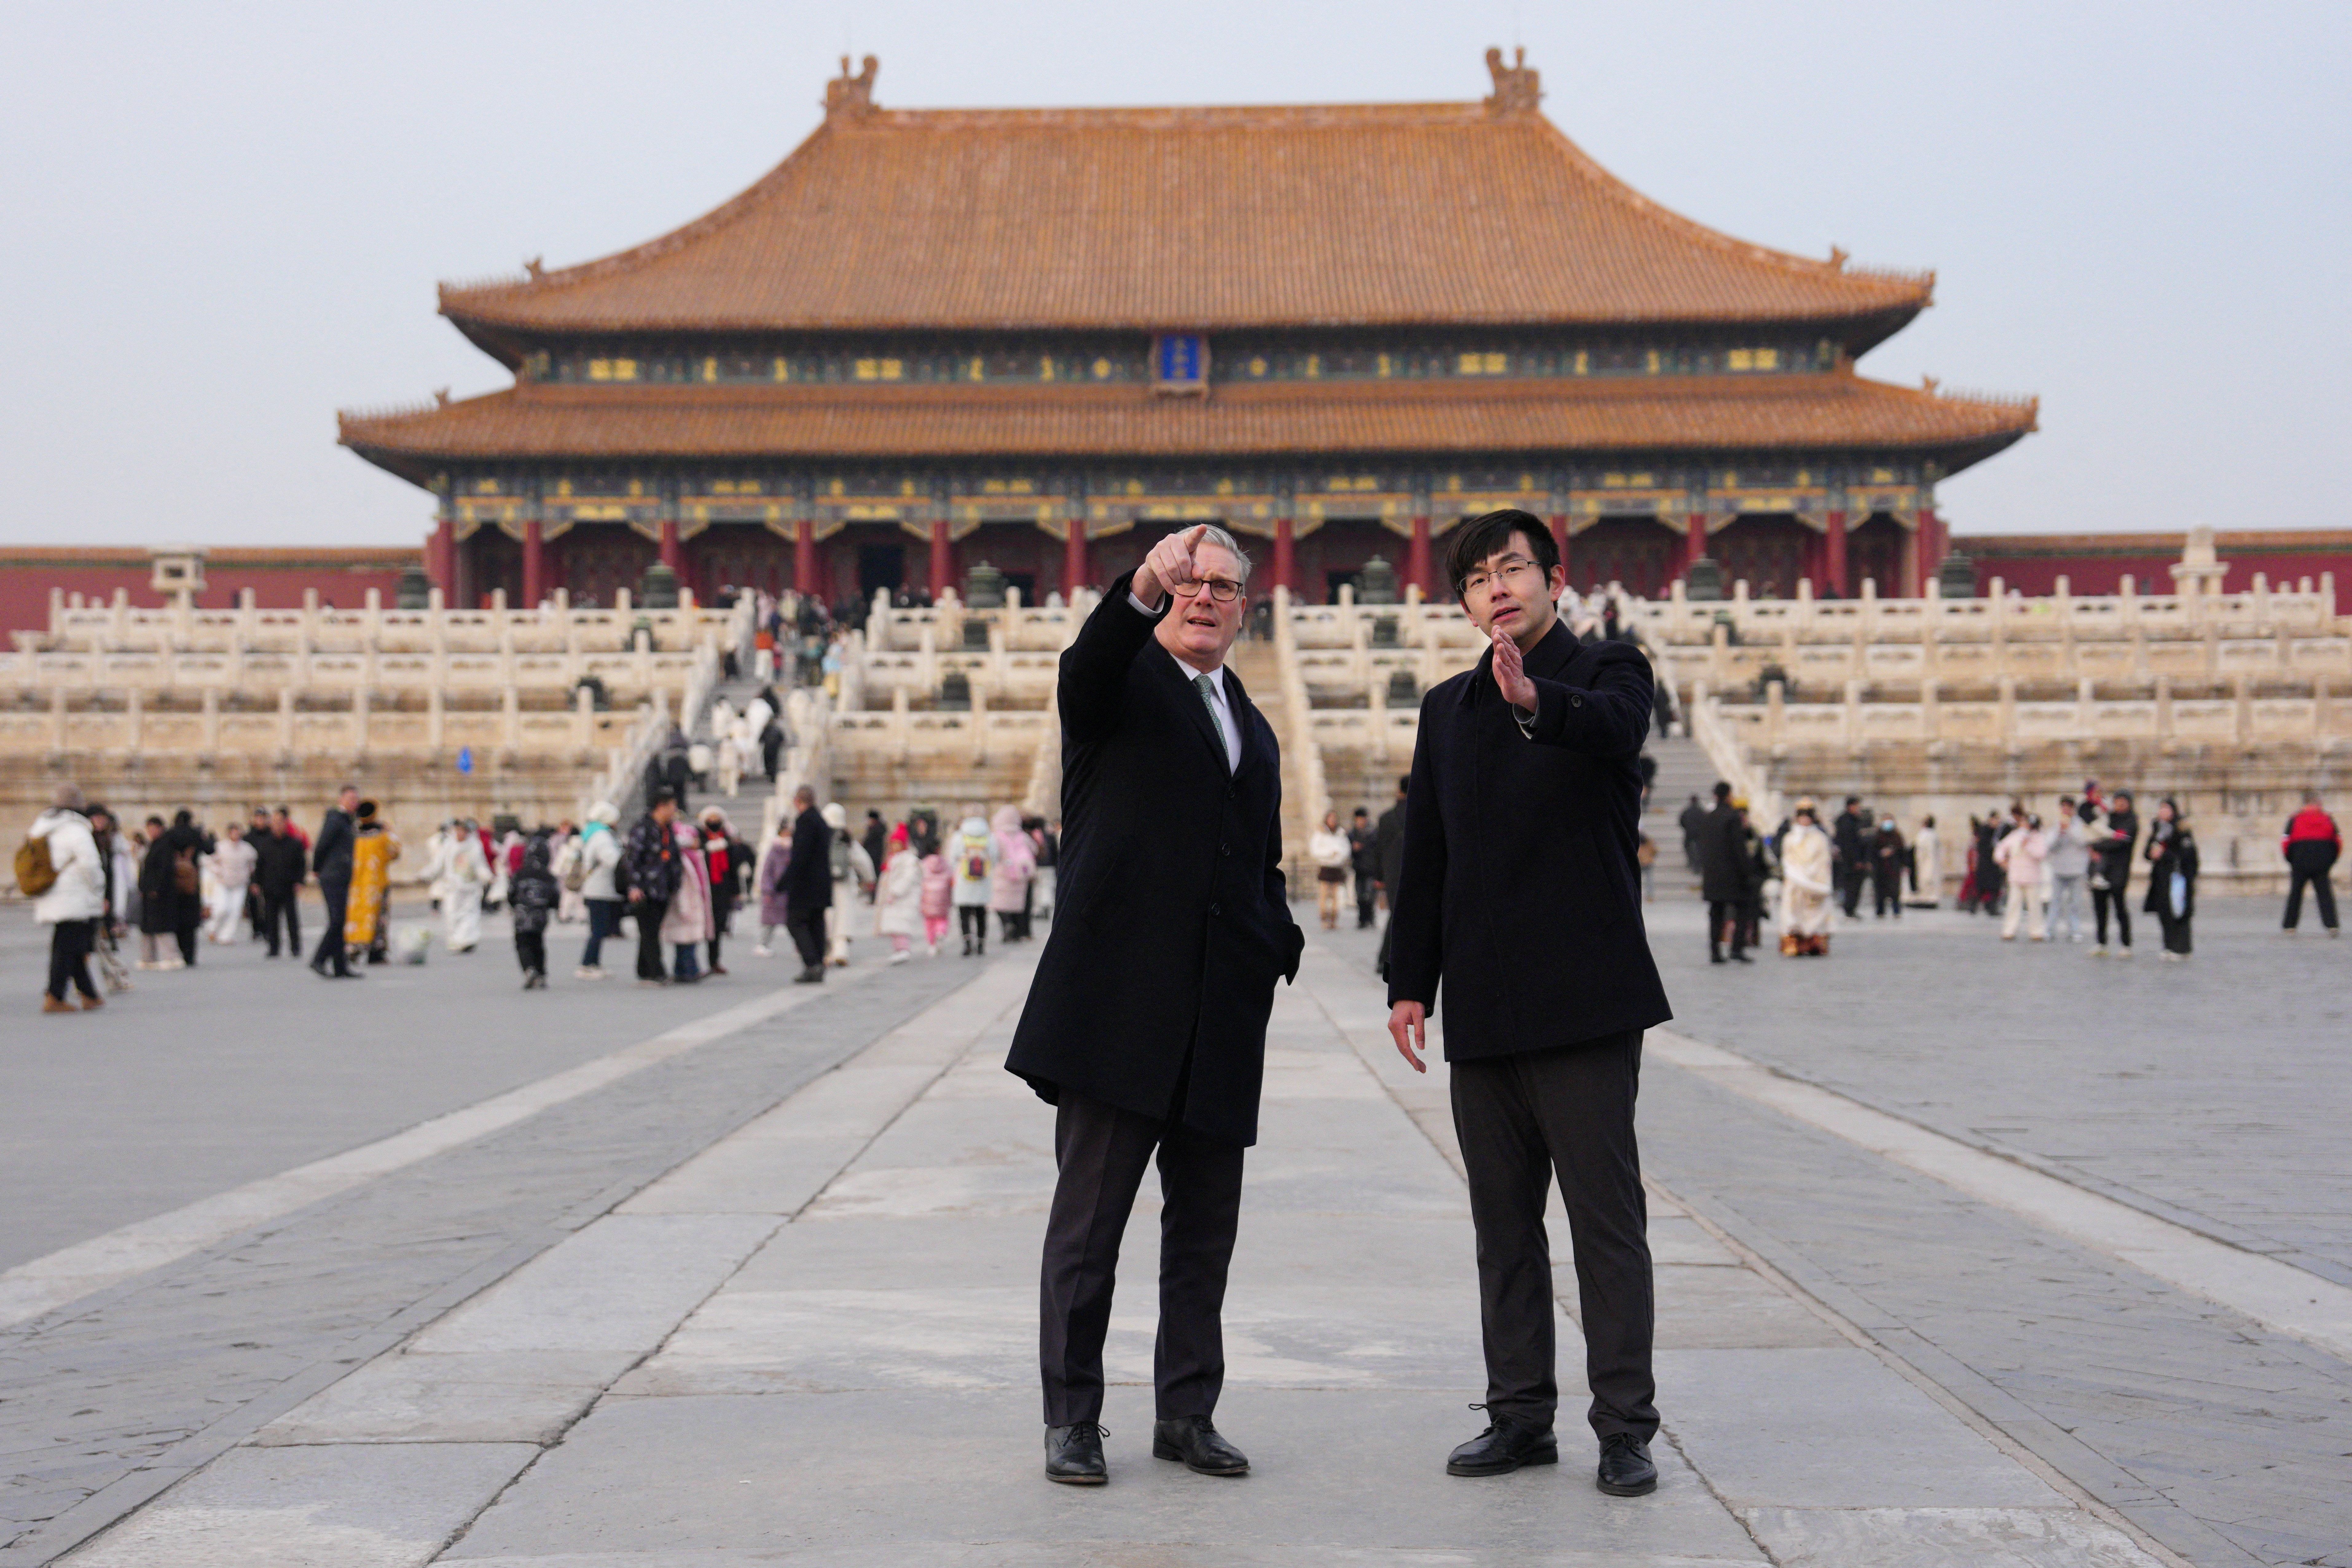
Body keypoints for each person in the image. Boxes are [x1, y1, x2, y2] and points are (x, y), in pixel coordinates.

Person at [1006, 522, 1302, 1488]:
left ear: (1245, 608)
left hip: (1221, 1014)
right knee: (1089, 1227)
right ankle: (1071, 1418)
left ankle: (1187, 1411)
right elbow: (1085, 667)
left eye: (1223, 586)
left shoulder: (1250, 722)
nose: (1204, 598)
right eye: (1189, 584)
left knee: (1204, 1231)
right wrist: (1137, 587)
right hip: (1119, 1006)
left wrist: (1275, 940)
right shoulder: (1120, 685)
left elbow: (1259, 856)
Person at [1384, 508, 1669, 1498]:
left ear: (1555, 579)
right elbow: (1426, 852)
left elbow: (1616, 731)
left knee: (1604, 1224)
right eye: (1475, 579)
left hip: (1586, 1000)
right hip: (1485, 1003)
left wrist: (1535, 698)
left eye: (1511, 569)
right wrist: (1409, 980)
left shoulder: (1609, 670)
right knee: (1502, 1227)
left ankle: (1625, 1428)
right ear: (1463, 605)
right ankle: (1518, 1417)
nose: (1495, 589)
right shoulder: (1444, 709)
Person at [30, 785, 106, 1013]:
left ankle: (89, 994)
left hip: (53, 892)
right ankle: (55, 996)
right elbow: (90, 864)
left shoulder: (42, 826)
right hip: (74, 895)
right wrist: (99, 888)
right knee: (67, 947)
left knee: (69, 943)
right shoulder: (75, 829)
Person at [624, 789, 684, 986]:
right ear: (661, 806)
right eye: (672, 806)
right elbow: (633, 859)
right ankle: (656, 971)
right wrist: (634, 886)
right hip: (646, 888)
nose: (675, 811)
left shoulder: (667, 829)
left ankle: (644, 971)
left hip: (663, 887)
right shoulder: (643, 829)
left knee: (651, 930)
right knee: (649, 931)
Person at [782, 786, 832, 983]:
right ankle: (818, 963)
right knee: (816, 924)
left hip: (805, 884)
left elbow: (800, 856)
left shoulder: (806, 821)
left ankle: (812, 964)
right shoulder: (820, 820)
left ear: (798, 801)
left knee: (796, 923)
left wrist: (785, 881)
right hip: (821, 883)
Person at [1699, 782, 1753, 964]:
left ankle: (1715, 952)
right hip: (1733, 874)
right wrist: (1746, 872)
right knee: (1742, 909)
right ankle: (1737, 949)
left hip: (1713, 874)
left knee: (1716, 912)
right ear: (1729, 795)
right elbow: (1739, 848)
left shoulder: (1708, 818)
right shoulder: (1733, 817)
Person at [310, 786, 360, 978]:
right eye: (350, 799)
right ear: (341, 800)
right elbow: (322, 845)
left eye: (356, 799)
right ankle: (319, 959)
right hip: (332, 876)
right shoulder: (335, 819)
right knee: (337, 920)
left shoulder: (348, 821)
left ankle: (341, 967)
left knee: (340, 920)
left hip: (342, 875)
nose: (354, 803)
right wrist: (316, 868)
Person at [345, 802, 400, 965]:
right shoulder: (382, 836)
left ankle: (353, 948)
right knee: (379, 918)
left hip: (355, 885)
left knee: (355, 917)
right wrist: (389, 831)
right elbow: (395, 852)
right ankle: (376, 952)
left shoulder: (352, 834)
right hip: (377, 884)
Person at [2144, 798, 2199, 959]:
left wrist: (2164, 855)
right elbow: (2147, 852)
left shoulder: (2182, 830)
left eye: (2167, 809)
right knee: (2165, 912)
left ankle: (2182, 948)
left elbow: (2187, 854)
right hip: (2161, 878)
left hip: (2179, 877)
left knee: (2180, 911)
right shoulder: (2158, 830)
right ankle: (2168, 946)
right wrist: (2151, 853)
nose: (2163, 812)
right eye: (2161, 808)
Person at [2280, 791, 2341, 935]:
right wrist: (2330, 861)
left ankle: (2290, 926)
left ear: (2304, 804)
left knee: (2296, 893)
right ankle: (2332, 925)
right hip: (2322, 862)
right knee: (2325, 893)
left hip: (2300, 860)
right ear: (2318, 803)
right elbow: (2338, 841)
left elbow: (2285, 842)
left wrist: (2292, 860)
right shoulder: (2327, 818)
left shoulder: (2295, 819)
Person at [574, 802, 624, 977]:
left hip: (596, 889)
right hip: (600, 890)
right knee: (598, 930)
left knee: (599, 929)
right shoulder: (602, 836)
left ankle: (593, 963)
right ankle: (588, 964)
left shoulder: (592, 833)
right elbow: (612, 860)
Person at [1779, 799, 1834, 956]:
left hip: (1815, 881)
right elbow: (1787, 859)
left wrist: (1811, 873)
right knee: (1794, 914)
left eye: (1808, 817)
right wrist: (1798, 874)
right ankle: (1794, 942)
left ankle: (1813, 943)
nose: (1805, 820)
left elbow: (1824, 860)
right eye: (1802, 817)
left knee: (1815, 914)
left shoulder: (1820, 838)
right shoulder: (1790, 838)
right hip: (1796, 882)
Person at [822, 803, 875, 965]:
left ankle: (827, 952)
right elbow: (863, 861)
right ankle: (841, 951)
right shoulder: (846, 839)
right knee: (843, 918)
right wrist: (870, 879)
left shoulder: (821, 837)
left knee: (827, 917)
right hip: (845, 883)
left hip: (825, 883)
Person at [2087, 790, 2137, 957]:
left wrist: (2097, 846)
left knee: (2120, 907)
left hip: (2119, 870)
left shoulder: (2131, 821)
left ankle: (2126, 944)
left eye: (2124, 801)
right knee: (2100, 908)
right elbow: (2093, 830)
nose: (2120, 804)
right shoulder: (2107, 818)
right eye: (2118, 801)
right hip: (2100, 869)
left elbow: (2120, 842)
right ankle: (2101, 943)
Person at [662, 816, 711, 982]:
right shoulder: (685, 860)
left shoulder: (693, 857)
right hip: (687, 905)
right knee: (687, 940)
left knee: (685, 940)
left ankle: (682, 970)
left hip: (690, 904)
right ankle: (689, 970)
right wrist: (685, 908)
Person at [159, 809, 211, 968]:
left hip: (173, 882)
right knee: (190, 920)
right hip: (191, 882)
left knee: (176, 918)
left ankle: (179, 952)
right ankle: (190, 955)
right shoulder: (195, 834)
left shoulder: (169, 834)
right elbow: (210, 849)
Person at [509, 834, 559, 989]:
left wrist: (514, 905)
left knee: (522, 942)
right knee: (538, 942)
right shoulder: (548, 877)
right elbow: (555, 898)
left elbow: (511, 894)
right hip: (540, 915)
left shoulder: (520, 874)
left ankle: (529, 969)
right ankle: (541, 973)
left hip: (522, 914)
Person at [255, 808, 305, 958]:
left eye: (281, 822)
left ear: (286, 824)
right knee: (272, 919)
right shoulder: (265, 844)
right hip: (270, 886)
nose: (278, 826)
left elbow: (301, 864)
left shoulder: (295, 843)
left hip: (288, 886)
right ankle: (274, 948)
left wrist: (299, 881)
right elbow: (260, 865)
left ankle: (295, 947)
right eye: (275, 823)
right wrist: (256, 883)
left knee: (292, 919)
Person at [1373, 774, 1409, 975]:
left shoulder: (1386, 818)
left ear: (1399, 791)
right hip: (1415, 872)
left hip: (1392, 873)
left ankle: (1385, 959)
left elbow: (1379, 850)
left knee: (1396, 915)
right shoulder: (1423, 815)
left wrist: (1379, 877)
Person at [1995, 809, 2048, 942]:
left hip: (2032, 877)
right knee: (2013, 905)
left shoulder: (2038, 837)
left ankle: (2037, 932)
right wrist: (2003, 862)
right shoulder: (2015, 836)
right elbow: (2001, 849)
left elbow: (2041, 854)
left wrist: (2028, 846)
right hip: (2016, 876)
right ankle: (2009, 931)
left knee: (2034, 907)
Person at [873, 822, 923, 962]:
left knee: (901, 926)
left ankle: (903, 950)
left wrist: (896, 891)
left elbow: (909, 878)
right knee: (895, 927)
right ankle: (899, 950)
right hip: (894, 900)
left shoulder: (908, 860)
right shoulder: (893, 859)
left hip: (902, 899)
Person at [135, 814, 180, 969]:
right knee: (148, 926)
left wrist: (156, 888)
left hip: (161, 893)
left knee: (163, 926)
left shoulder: (165, 846)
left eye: (154, 828)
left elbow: (165, 870)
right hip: (149, 892)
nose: (151, 832)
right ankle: (148, 958)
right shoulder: (152, 845)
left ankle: (171, 957)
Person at [950, 809, 995, 957]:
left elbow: (952, 858)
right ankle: (981, 944)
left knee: (964, 914)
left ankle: (968, 943)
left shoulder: (959, 836)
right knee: (981, 914)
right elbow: (995, 857)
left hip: (964, 881)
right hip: (983, 881)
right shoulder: (990, 836)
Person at [202, 823, 257, 945]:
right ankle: (211, 928)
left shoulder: (247, 848)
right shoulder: (221, 847)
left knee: (235, 911)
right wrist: (218, 871)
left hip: (240, 884)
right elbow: (208, 861)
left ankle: (226, 936)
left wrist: (248, 874)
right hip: (224, 883)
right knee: (222, 908)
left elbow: (253, 862)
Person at [990, 804, 1037, 945]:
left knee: (1000, 904)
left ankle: (1007, 924)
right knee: (1019, 904)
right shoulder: (1023, 836)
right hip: (1021, 876)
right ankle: (1018, 932)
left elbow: (993, 855)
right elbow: (1034, 850)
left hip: (1002, 875)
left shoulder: (997, 837)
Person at [2044, 798, 2089, 943]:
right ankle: (2050, 930)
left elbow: (2084, 841)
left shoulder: (2080, 824)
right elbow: (2049, 845)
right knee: (2055, 902)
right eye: (2063, 807)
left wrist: (2069, 830)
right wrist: (2060, 832)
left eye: (2068, 807)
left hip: (2077, 869)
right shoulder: (2056, 825)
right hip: (2059, 868)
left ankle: (2074, 931)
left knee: (2075, 903)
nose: (2066, 810)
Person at [442, 819, 491, 954]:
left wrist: (488, 877)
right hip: (453, 888)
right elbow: (440, 863)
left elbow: (480, 865)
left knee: (470, 915)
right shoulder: (449, 845)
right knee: (452, 914)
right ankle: (456, 941)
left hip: (470, 887)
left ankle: (468, 941)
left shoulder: (474, 846)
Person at [755, 818, 792, 958]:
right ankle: (763, 944)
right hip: (776, 891)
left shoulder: (795, 849)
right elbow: (767, 871)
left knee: (794, 922)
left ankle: (800, 947)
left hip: (790, 891)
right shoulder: (775, 849)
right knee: (770, 922)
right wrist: (767, 890)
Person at [1308, 809, 1351, 930]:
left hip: (1337, 867)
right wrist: (1329, 854)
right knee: (1324, 895)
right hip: (1326, 867)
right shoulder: (1320, 833)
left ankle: (1334, 920)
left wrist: (1339, 856)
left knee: (1336, 896)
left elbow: (1346, 849)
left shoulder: (1341, 833)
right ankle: (1324, 920)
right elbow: (1315, 850)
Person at [1833, 797, 1869, 918]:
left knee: (1854, 886)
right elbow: (1850, 844)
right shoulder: (1847, 822)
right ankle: (1849, 909)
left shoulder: (1855, 820)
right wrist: (1857, 860)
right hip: (1850, 862)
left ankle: (1851, 908)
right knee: (1852, 886)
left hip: (1853, 860)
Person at [919, 833, 953, 956]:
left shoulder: (923, 864)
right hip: (943, 896)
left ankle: (932, 945)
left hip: (927, 896)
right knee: (942, 918)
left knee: (929, 922)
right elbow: (951, 878)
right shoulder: (945, 863)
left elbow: (919, 879)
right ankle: (941, 932)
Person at [1869, 815, 1906, 919]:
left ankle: (1896, 911)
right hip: (1880, 868)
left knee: (1895, 891)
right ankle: (1880, 911)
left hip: (1894, 868)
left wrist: (1902, 864)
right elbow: (1872, 852)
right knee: (1880, 891)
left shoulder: (1897, 836)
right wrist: (1881, 854)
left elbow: (1902, 852)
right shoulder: (1877, 836)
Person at [1348, 806, 1378, 929]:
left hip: (1371, 869)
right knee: (1360, 896)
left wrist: (1363, 847)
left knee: (1370, 896)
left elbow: (1376, 850)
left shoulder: (1373, 832)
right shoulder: (1352, 834)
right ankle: (1362, 919)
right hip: (1359, 869)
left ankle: (1370, 918)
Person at [1907, 815, 1941, 909]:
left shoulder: (1925, 835)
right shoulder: (1934, 835)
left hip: (1924, 864)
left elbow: (1921, 851)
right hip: (1929, 864)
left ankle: (1926, 900)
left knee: (1925, 882)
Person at [1676, 793, 1708, 877]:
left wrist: (1687, 828)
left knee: (1688, 848)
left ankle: (1691, 862)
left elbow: (1681, 821)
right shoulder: (1702, 811)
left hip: (1689, 833)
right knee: (1699, 849)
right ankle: (1699, 865)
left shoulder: (1687, 811)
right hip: (1700, 834)